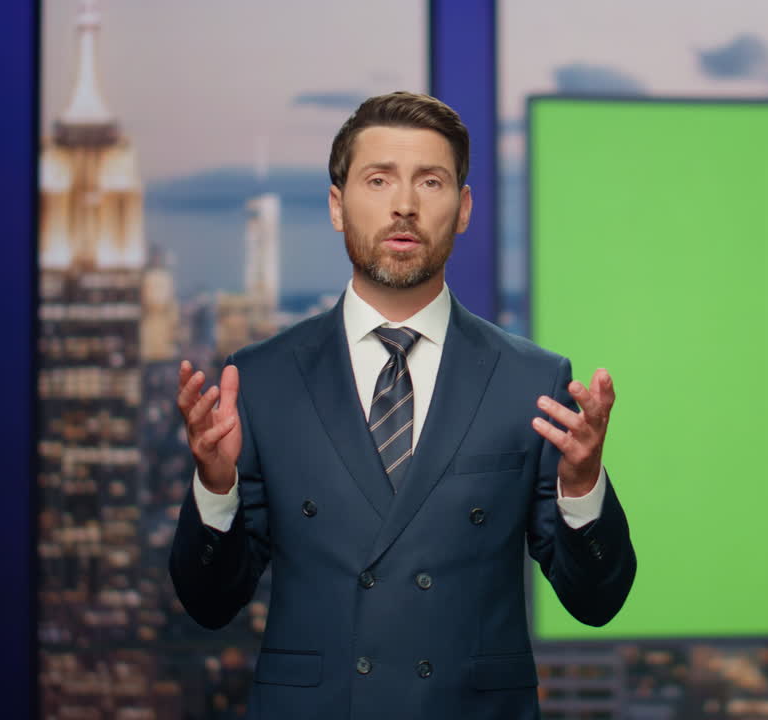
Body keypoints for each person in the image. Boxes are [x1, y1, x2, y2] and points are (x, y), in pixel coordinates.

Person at [169, 91, 636, 719]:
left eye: (431, 181)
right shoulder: (261, 381)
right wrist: (214, 485)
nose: (404, 204)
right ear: (337, 206)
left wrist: (581, 489)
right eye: (378, 179)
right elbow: (208, 603)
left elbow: (595, 602)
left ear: (464, 207)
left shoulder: (531, 378)